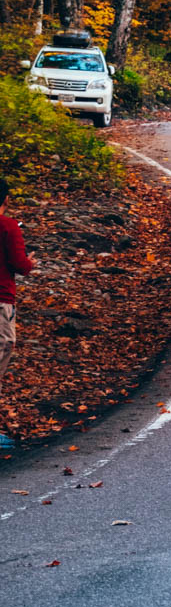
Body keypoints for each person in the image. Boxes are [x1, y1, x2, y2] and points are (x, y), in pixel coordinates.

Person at [0, 177, 35, 449]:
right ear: (5, 200)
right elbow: (19, 263)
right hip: (1, 299)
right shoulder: (8, 226)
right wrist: (30, 263)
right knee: (3, 349)